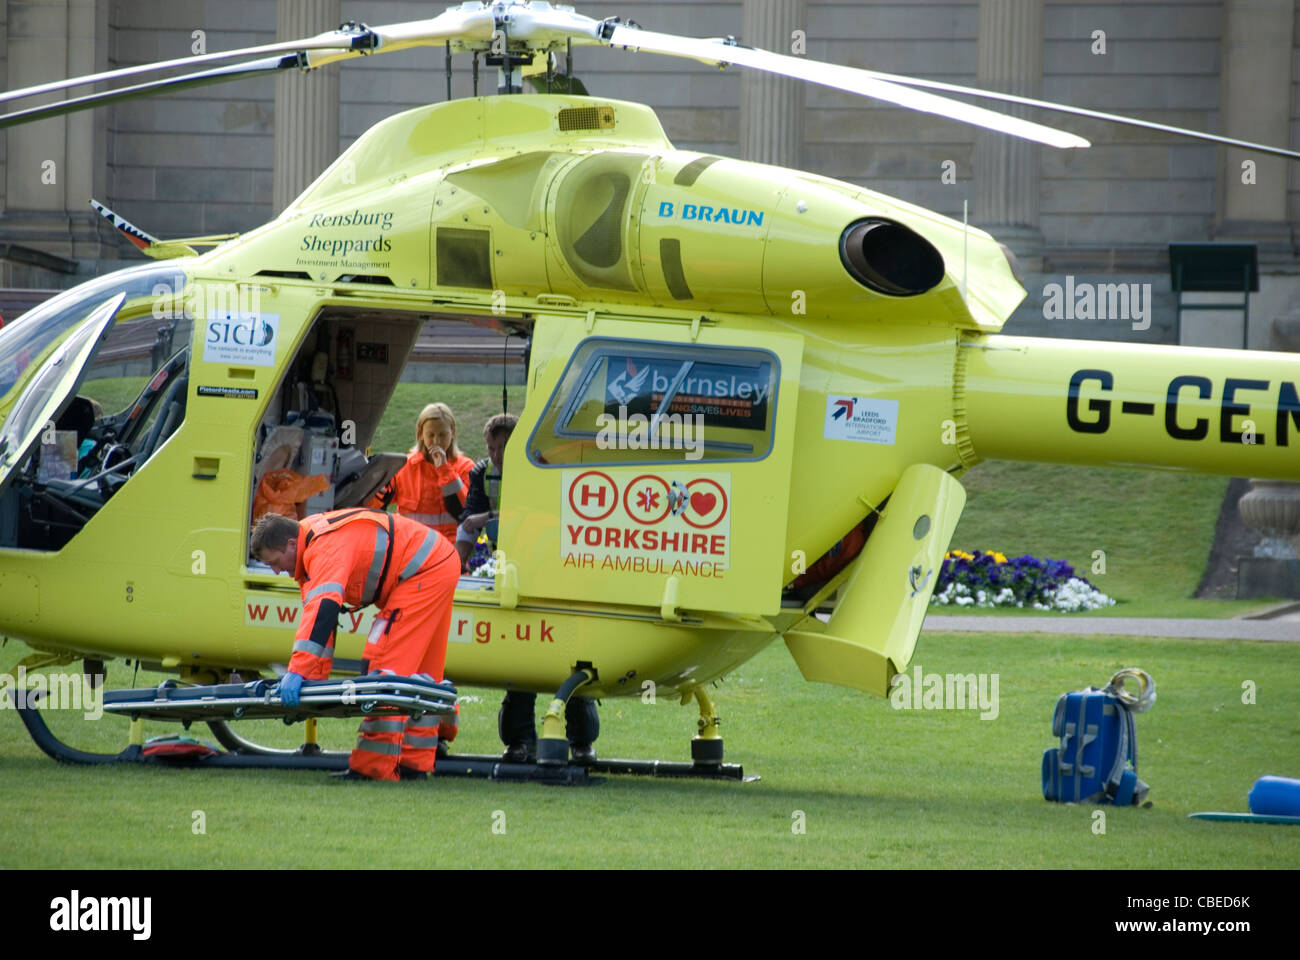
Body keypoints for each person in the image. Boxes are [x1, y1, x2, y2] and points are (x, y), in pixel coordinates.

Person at [250, 508, 461, 782]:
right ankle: (414, 764)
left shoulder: (322, 550)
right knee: (420, 675)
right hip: (436, 564)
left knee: (384, 672)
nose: (277, 570)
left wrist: (298, 672)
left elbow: (322, 612)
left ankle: (374, 768)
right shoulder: (313, 544)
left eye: (275, 562)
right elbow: (320, 629)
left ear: (291, 544)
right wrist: (311, 684)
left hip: (424, 572)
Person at [456, 413, 600, 762]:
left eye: (502, 447)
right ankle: (519, 740)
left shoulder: (548, 470)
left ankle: (581, 741)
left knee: (570, 659)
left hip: (553, 572)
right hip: (505, 570)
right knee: (517, 659)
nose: (495, 455)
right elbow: (468, 522)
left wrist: (495, 520)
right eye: (491, 447)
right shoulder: (480, 473)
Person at [370, 402, 475, 541]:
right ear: (420, 434)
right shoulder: (405, 466)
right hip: (411, 550)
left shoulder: (465, 467)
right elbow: (374, 504)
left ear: (453, 432)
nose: (436, 441)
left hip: (449, 551)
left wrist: (444, 469)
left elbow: (463, 512)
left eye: (443, 435)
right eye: (430, 435)